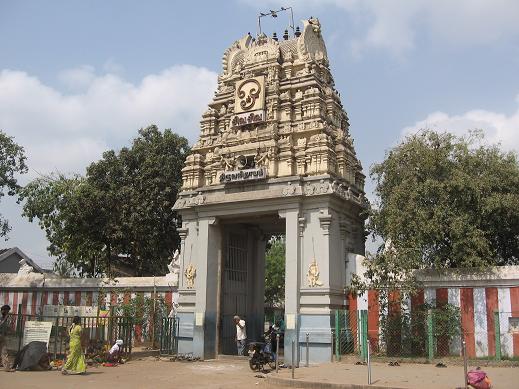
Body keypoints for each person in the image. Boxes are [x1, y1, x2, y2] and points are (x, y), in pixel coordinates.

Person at [0, 305, 14, 372]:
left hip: (2, 336)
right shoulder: (1, 317)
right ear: (3, 310)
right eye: (7, 311)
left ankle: (6, 367)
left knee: (4, 351)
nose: (8, 312)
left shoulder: (4, 317)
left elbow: (5, 326)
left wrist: (10, 330)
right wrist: (5, 318)